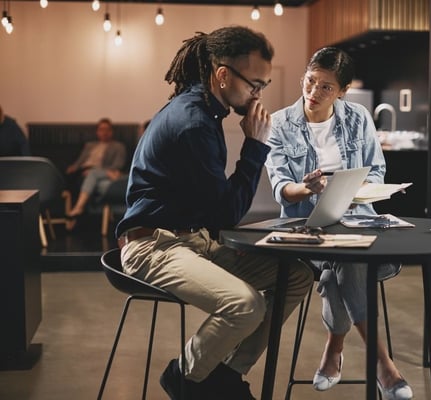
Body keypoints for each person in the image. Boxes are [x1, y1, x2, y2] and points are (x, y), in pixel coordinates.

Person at [115, 26, 313, 400]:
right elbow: (227, 213)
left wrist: (219, 235)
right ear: (223, 75)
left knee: (297, 277)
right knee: (245, 304)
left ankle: (223, 375)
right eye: (254, 84)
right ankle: (185, 376)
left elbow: (210, 207)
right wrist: (255, 145)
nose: (258, 95)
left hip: (192, 240)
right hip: (151, 247)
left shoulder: (206, 113)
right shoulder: (193, 123)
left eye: (263, 86)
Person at [265, 47, 413, 400]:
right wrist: (307, 187)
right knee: (346, 262)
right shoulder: (280, 123)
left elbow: (376, 170)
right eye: (310, 81)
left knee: (339, 271)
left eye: (326, 87)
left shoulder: (358, 118)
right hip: (305, 229)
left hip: (356, 221)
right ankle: (383, 365)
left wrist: (354, 189)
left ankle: (334, 349)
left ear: (343, 91)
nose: (313, 92)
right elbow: (281, 188)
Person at [65, 118, 126, 229]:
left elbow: (117, 166)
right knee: (95, 179)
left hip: (101, 172)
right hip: (84, 173)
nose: (104, 132)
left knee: (95, 174)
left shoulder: (118, 146)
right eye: (101, 129)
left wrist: (98, 170)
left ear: (112, 132)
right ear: (97, 132)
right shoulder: (89, 145)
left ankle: (78, 208)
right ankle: (77, 213)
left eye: (107, 129)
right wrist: (74, 167)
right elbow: (79, 163)